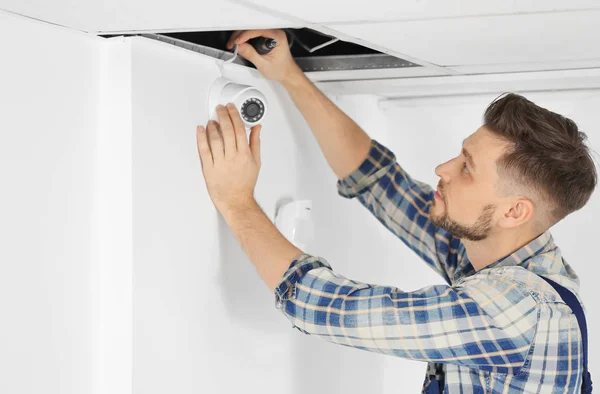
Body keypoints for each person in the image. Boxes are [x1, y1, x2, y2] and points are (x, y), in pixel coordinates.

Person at [195, 29, 597, 393]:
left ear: (514, 212)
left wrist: (236, 201)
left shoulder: (516, 308)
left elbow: (327, 307)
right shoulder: (494, 248)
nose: (443, 169)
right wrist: (289, 75)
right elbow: (380, 181)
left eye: (466, 169)